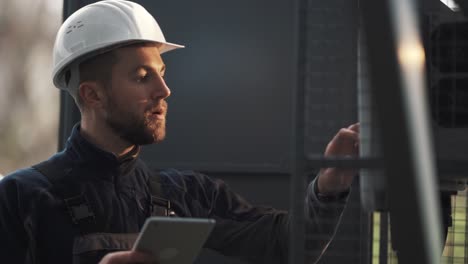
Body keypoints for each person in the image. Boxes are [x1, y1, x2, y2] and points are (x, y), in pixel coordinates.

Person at [0, 1, 359, 263]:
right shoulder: (20, 198)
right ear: (92, 94)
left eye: (162, 72)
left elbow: (287, 246)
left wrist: (329, 188)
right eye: (142, 77)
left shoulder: (186, 195)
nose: (163, 90)